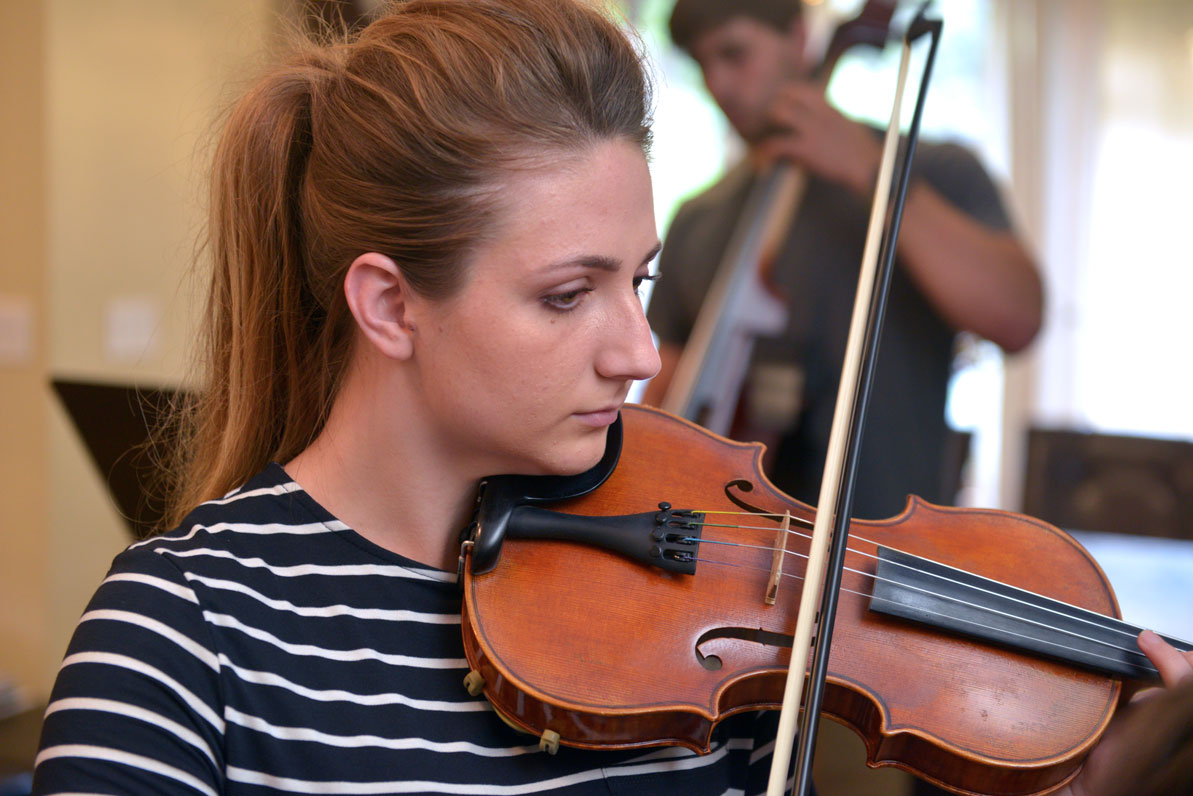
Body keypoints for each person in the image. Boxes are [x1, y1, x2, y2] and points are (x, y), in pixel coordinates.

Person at [30, 1, 1193, 795]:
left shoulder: (688, 641)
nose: (638, 348)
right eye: (564, 294)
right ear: (387, 306)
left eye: (632, 283)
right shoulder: (180, 636)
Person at [643, 0, 1044, 520]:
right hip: (733, 545)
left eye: (734, 53)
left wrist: (866, 168)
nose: (718, 84)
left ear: (798, 37)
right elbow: (668, 406)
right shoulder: (700, 217)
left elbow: (1017, 317)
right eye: (702, 64)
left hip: (887, 546)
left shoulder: (936, 170)